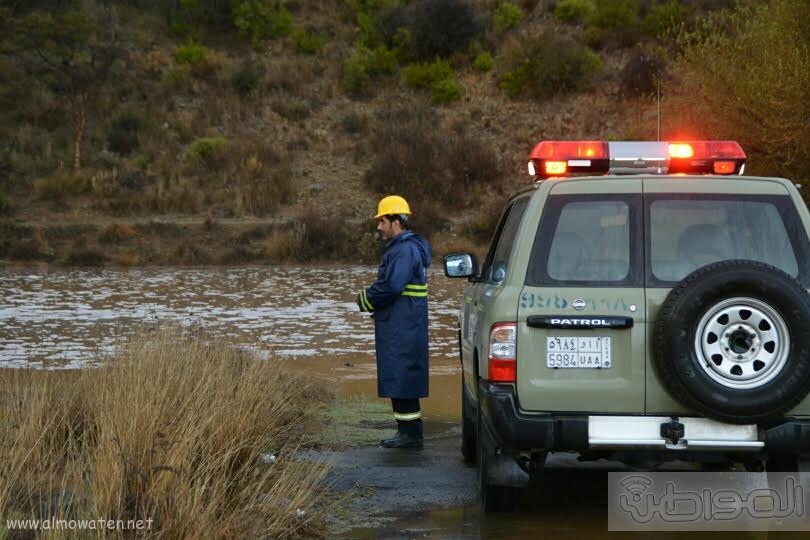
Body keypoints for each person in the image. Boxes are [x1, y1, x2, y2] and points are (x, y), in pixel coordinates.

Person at [357, 195, 432, 449]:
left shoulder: (404, 250)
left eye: (382, 221)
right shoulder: (405, 249)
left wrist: (366, 299)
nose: (378, 227)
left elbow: (392, 285)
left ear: (396, 221)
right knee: (402, 377)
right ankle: (408, 433)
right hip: (403, 323)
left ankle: (410, 436)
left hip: (402, 325)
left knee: (402, 377)